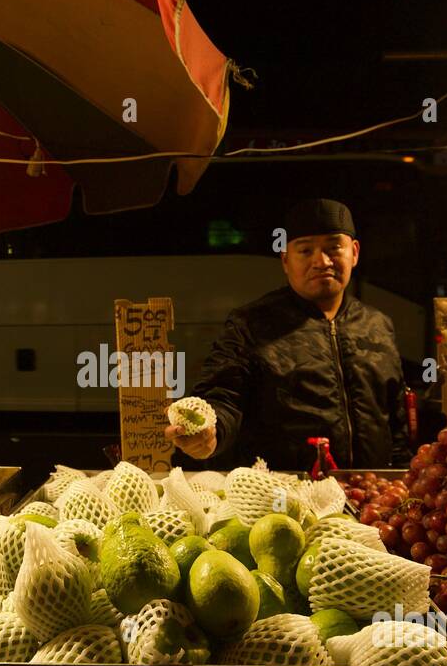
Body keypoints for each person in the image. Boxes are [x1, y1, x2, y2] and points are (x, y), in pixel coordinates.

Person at [165, 198, 409, 471]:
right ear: (285, 260)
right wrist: (211, 434)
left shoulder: (378, 325)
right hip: (283, 495)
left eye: (334, 247)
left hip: (369, 492)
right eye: (305, 250)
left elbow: (396, 421)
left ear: (354, 252)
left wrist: (401, 473)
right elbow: (222, 397)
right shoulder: (251, 324)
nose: (322, 261)